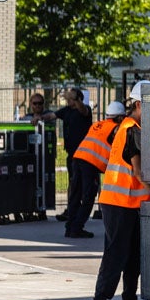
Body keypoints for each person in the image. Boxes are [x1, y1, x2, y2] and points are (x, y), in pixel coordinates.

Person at [89, 82, 150, 300]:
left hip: (129, 203)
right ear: (139, 105)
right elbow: (138, 172)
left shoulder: (132, 127)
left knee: (133, 254)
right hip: (119, 202)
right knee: (116, 254)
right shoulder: (131, 129)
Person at [65, 101, 125, 239]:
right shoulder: (116, 129)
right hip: (90, 164)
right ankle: (77, 228)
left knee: (75, 194)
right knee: (88, 196)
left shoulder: (98, 125)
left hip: (78, 158)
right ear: (120, 117)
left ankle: (69, 227)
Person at [54, 88, 95, 230]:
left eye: (71, 98)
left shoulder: (84, 110)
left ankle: (76, 220)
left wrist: (76, 99)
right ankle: (72, 216)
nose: (68, 101)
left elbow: (83, 110)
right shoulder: (66, 111)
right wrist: (39, 117)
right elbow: (53, 115)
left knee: (86, 189)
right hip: (73, 155)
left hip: (86, 156)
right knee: (74, 186)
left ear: (78, 99)